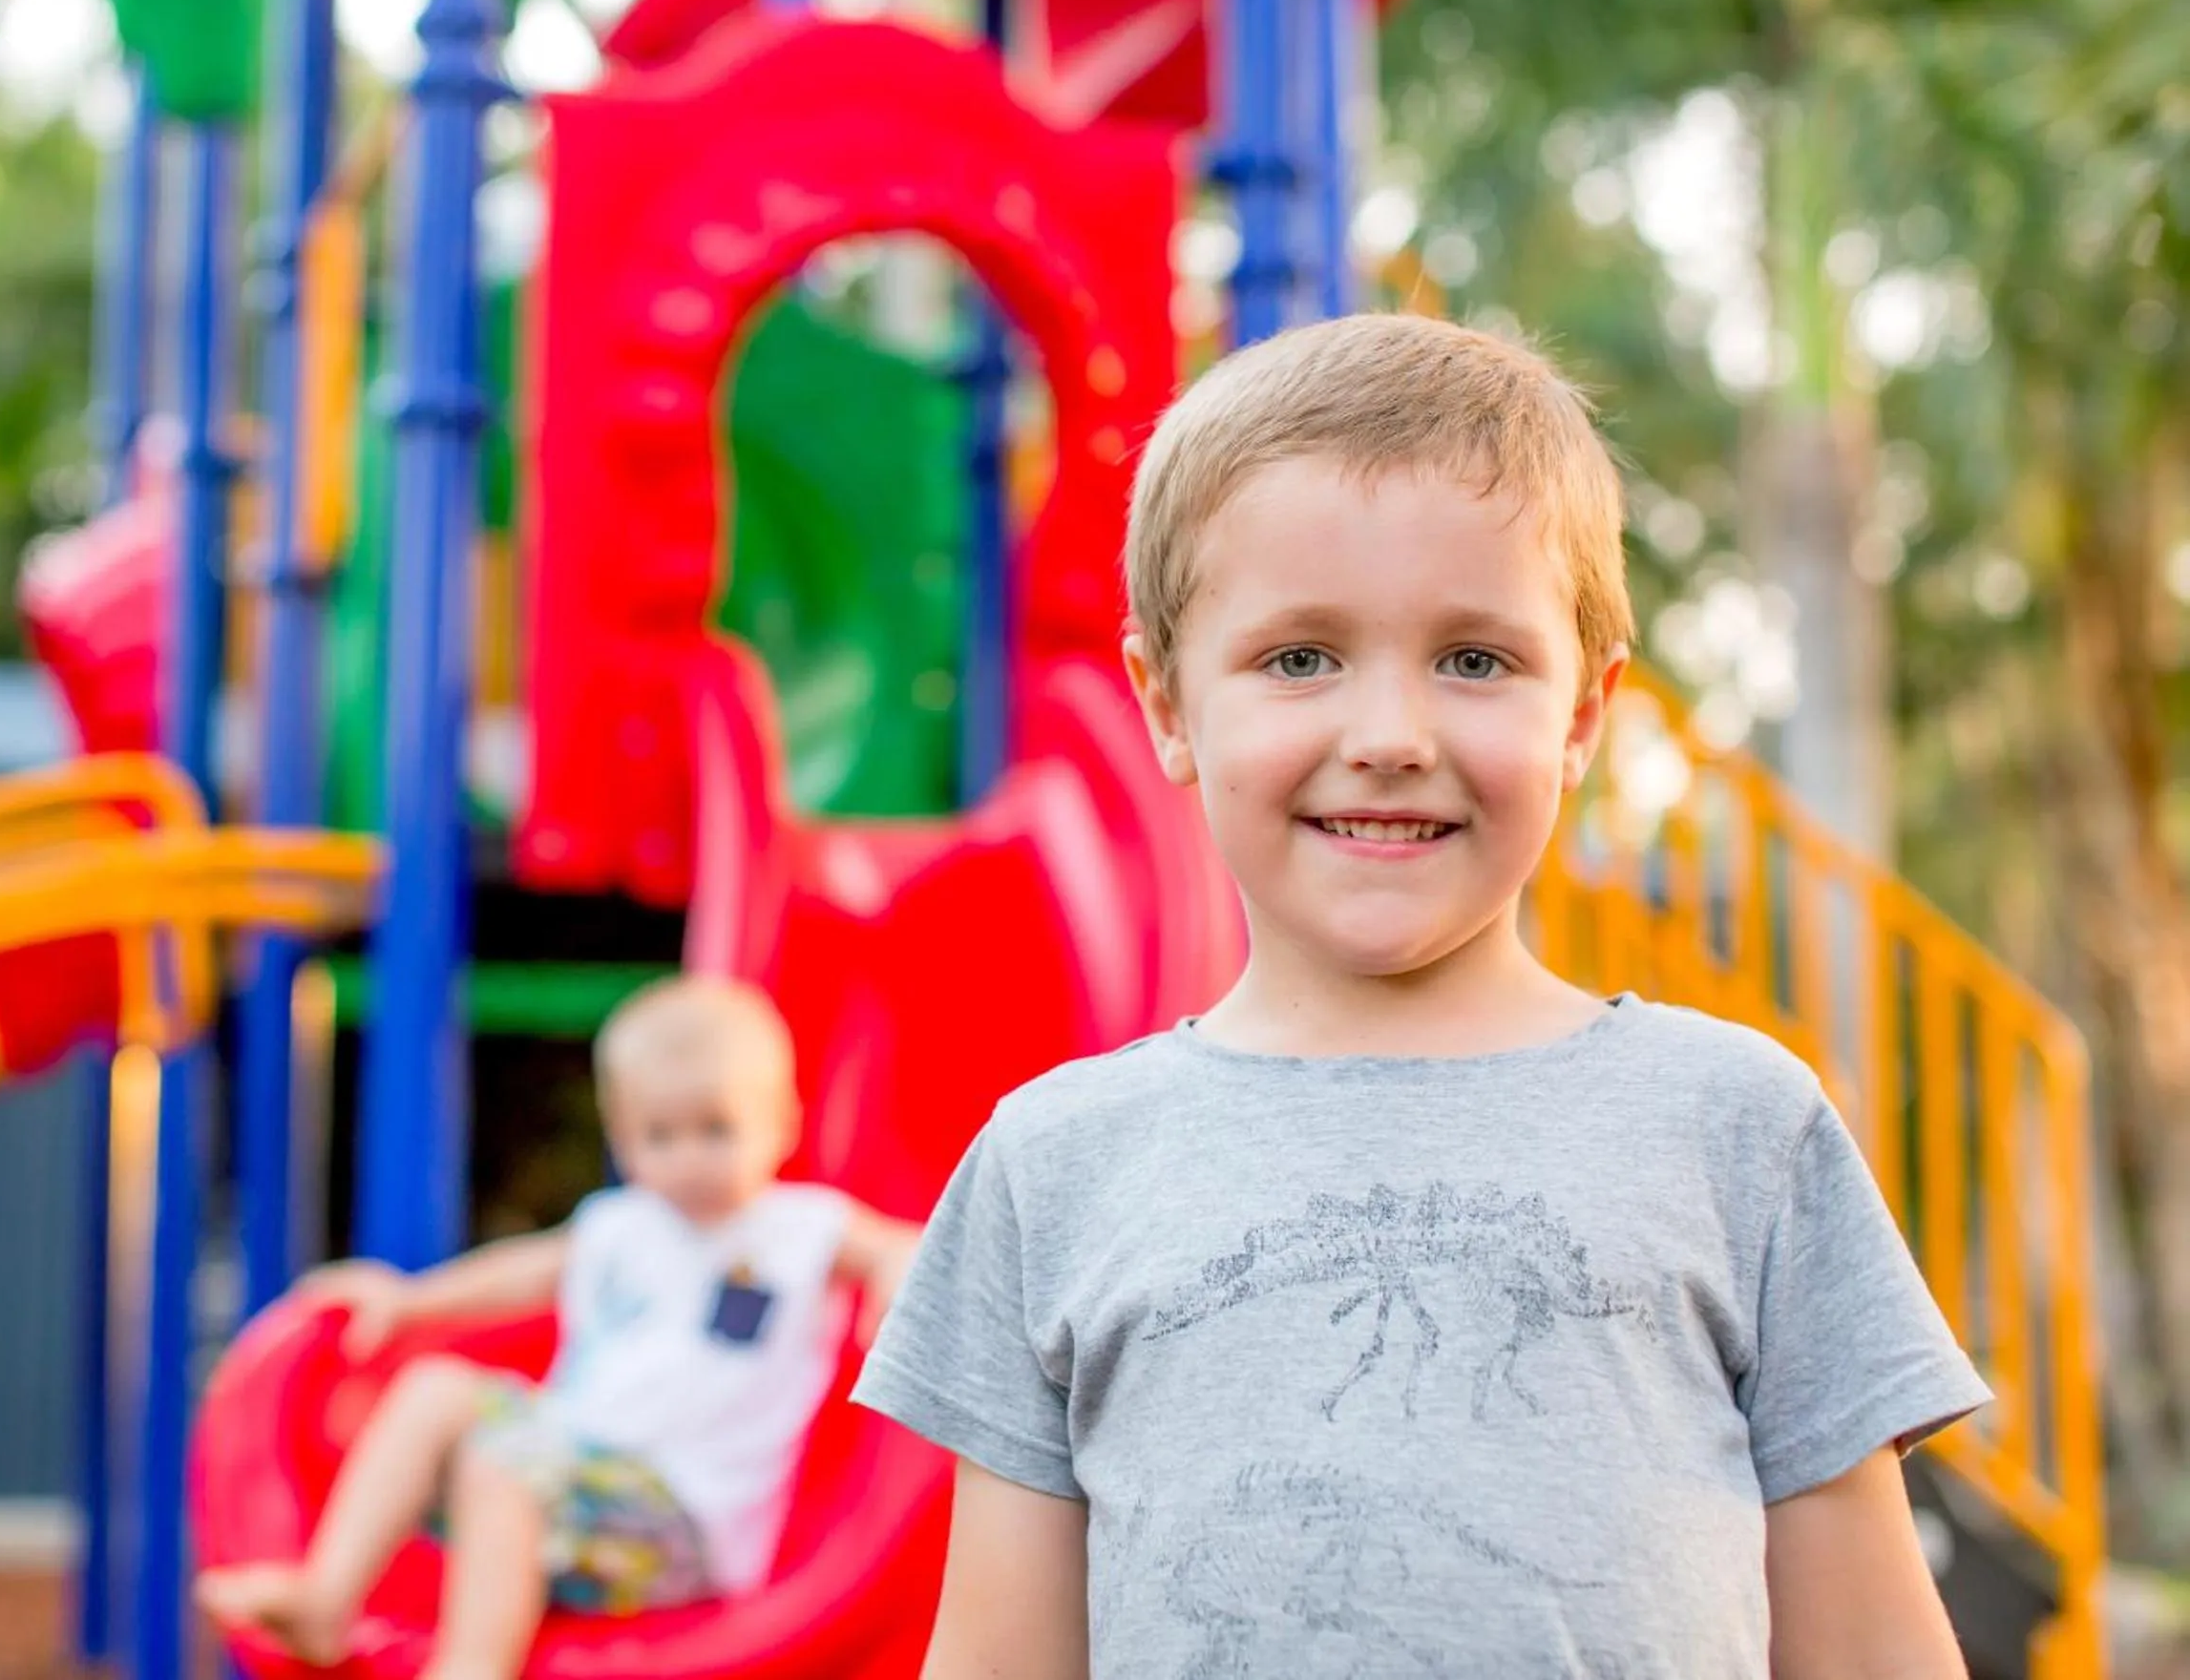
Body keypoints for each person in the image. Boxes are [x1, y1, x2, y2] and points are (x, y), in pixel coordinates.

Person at [853, 314, 1990, 1678]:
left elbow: (1873, 1647)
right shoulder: (1052, 1164)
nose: (1390, 737)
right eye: (1297, 658)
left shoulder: (1741, 1125)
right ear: (1167, 705)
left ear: (1582, 713)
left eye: (1475, 659)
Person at [200, 974, 920, 1678]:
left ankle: (474, 1665)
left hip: (681, 1523)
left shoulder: (799, 1228)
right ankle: (327, 1597)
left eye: (717, 1129)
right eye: (659, 1136)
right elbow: (522, 1273)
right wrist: (409, 1300)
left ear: (781, 1120)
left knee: (505, 1462)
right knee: (435, 1385)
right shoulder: (619, 1225)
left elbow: (900, 1243)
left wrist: (894, 1274)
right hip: (568, 1474)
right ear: (621, 1135)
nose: (689, 1158)